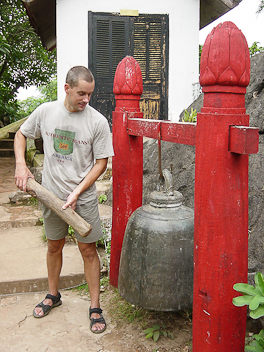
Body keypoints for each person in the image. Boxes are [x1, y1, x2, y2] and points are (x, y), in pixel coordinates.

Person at [14, 66, 114, 333]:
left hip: (83, 198)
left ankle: (95, 307)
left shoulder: (97, 121)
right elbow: (21, 134)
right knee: (53, 246)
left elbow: (102, 162)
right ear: (67, 88)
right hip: (51, 196)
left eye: (90, 94)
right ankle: (53, 295)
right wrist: (21, 166)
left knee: (88, 251)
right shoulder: (46, 112)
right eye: (81, 93)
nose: (86, 99)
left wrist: (78, 191)